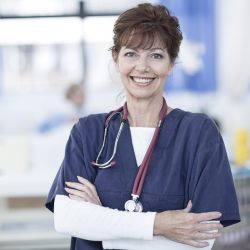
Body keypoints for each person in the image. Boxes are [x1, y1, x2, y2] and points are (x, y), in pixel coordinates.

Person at [45, 3, 240, 250]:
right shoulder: (89, 132)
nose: (142, 67)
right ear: (116, 59)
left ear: (171, 63)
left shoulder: (198, 133)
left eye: (156, 55)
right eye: (131, 54)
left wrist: (101, 223)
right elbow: (66, 218)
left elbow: (201, 238)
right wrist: (159, 224)